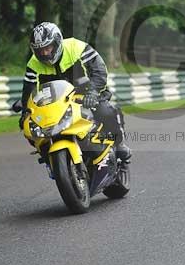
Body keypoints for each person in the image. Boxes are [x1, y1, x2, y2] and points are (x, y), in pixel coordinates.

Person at [19, 22, 132, 163]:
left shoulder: (76, 47)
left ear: (57, 42)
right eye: (40, 50)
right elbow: (28, 90)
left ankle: (119, 143)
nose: (45, 53)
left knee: (105, 111)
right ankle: (48, 156)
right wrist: (25, 111)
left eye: (48, 48)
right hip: (56, 103)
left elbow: (99, 70)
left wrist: (93, 92)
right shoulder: (33, 64)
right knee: (30, 128)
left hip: (86, 93)